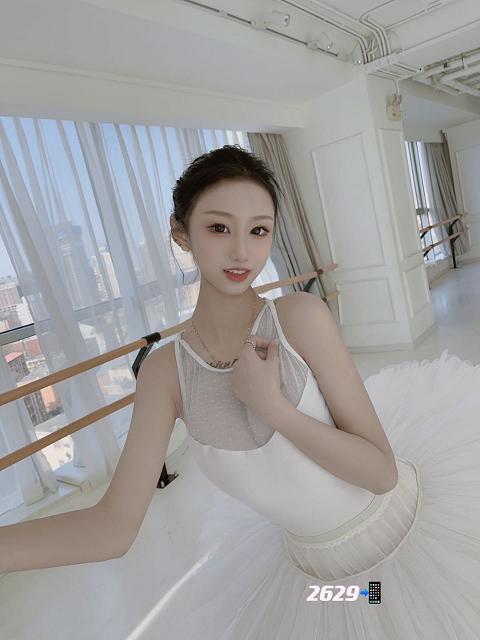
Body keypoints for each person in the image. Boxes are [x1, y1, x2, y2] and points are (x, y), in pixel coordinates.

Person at [1, 145, 479, 639]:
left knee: (412, 615)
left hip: (412, 537)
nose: (242, 253)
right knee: (362, 607)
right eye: (218, 228)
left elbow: (381, 474)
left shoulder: (298, 319)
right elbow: (113, 527)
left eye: (258, 230)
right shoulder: (166, 373)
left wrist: (273, 407)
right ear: (180, 233)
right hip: (318, 583)